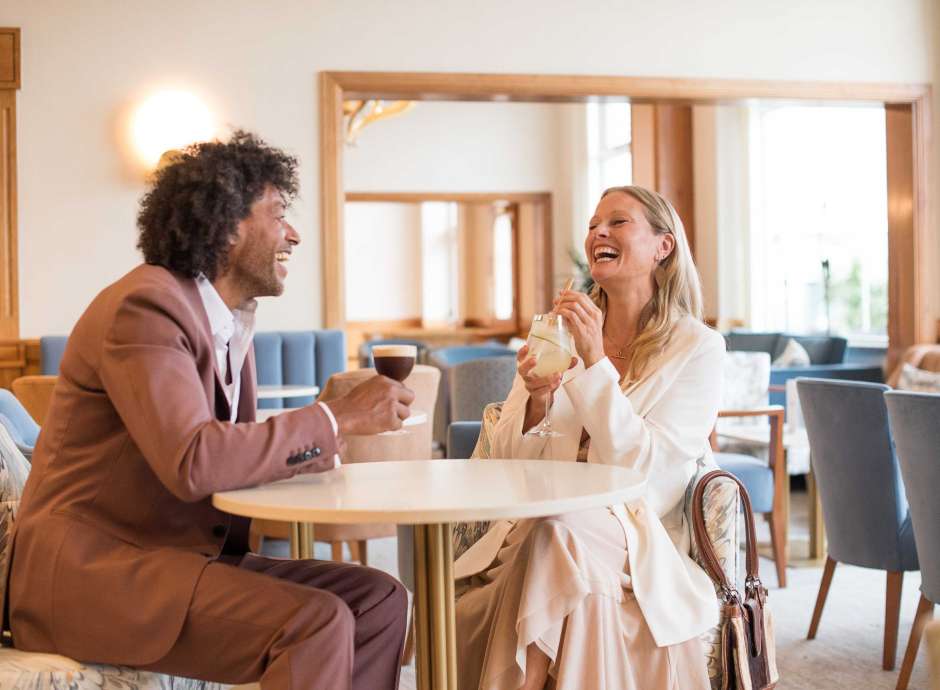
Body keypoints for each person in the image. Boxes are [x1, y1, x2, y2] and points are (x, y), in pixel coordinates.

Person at [8, 131, 413, 690]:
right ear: (226, 225)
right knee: (313, 623)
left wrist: (325, 441)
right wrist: (334, 419)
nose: (294, 234)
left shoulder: (227, 320)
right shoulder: (145, 306)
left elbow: (232, 454)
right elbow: (193, 459)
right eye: (278, 213)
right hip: (92, 579)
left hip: (173, 560)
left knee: (378, 599)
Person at [454, 186, 723, 690]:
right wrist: (536, 400)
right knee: (556, 532)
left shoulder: (699, 348)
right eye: (595, 223)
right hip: (541, 524)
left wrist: (596, 363)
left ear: (663, 247)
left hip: (634, 531)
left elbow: (643, 471)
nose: (598, 231)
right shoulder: (555, 333)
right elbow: (508, 460)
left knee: (558, 527)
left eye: (618, 223)